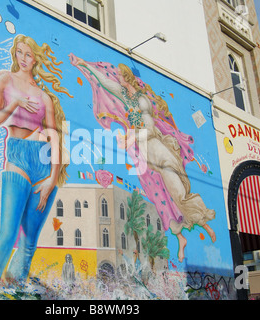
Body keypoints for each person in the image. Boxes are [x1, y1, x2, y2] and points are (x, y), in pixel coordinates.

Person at [70, 55, 215, 262]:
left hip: (159, 152)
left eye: (120, 75)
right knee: (160, 199)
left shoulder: (141, 100)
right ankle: (180, 237)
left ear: (127, 77)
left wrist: (131, 137)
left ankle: (205, 223)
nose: (118, 77)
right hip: (146, 157)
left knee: (178, 193)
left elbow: (150, 129)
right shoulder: (125, 96)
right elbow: (105, 83)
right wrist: (83, 65)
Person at [0, 34, 71, 286]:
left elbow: (53, 135)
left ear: (35, 59)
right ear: (14, 53)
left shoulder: (45, 97)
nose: (23, 58)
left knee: (29, 241)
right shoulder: (4, 79)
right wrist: (16, 103)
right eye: (19, 52)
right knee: (8, 234)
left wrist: (52, 179)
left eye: (28, 54)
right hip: (18, 157)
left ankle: (15, 288)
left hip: (43, 164)